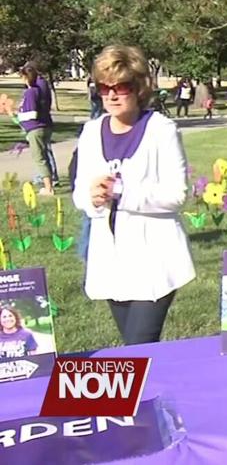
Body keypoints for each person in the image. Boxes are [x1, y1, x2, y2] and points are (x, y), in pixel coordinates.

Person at [72, 45, 195, 345]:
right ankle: (152, 392)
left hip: (155, 260)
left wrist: (122, 192)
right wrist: (93, 197)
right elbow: (79, 194)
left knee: (140, 346)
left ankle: (149, 392)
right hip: (111, 262)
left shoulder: (161, 130)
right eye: (104, 88)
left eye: (121, 87)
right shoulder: (91, 132)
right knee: (134, 349)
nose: (112, 95)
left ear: (139, 87)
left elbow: (177, 194)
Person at [17, 66, 54, 196]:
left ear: (26, 77)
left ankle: (48, 188)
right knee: (44, 155)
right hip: (44, 126)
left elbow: (32, 113)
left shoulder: (30, 92)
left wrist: (19, 116)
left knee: (39, 158)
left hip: (35, 128)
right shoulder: (39, 89)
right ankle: (49, 183)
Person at [25, 64, 59, 187]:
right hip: (44, 122)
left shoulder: (34, 89)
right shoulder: (42, 84)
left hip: (38, 124)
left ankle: (49, 180)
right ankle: (49, 177)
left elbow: (34, 110)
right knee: (44, 152)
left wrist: (20, 116)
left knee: (41, 155)